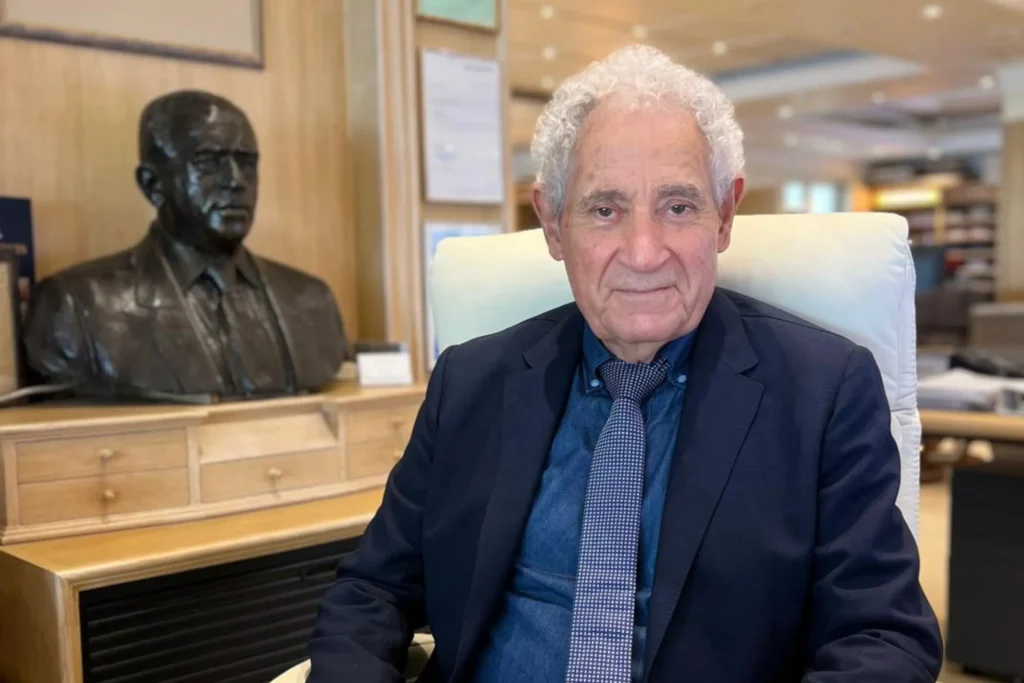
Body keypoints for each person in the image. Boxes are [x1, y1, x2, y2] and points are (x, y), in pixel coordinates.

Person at [308, 45, 942, 682]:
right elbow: (371, 592)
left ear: (725, 215)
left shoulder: (822, 391)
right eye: (605, 210)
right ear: (552, 224)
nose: (643, 253)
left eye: (678, 206)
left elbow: (883, 636)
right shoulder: (471, 382)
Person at [23, 90, 347, 401]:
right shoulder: (77, 308)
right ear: (153, 185)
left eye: (247, 163)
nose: (236, 180)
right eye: (208, 161)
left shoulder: (312, 300)